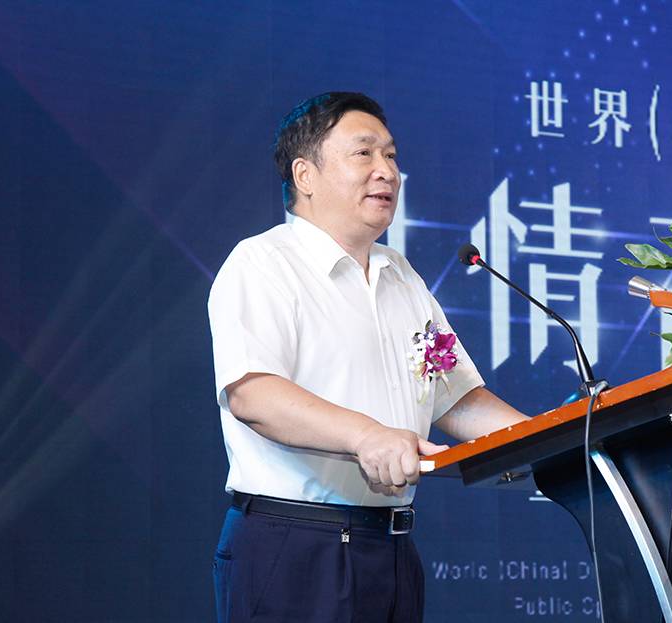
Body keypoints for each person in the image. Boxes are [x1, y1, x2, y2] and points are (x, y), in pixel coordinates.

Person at [207, 92, 529, 623]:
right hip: (295, 547)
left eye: (392, 156)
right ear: (305, 175)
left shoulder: (400, 274)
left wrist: (554, 438)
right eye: (364, 153)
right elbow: (253, 394)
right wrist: (366, 435)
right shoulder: (263, 262)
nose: (387, 171)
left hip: (391, 547)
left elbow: (456, 399)